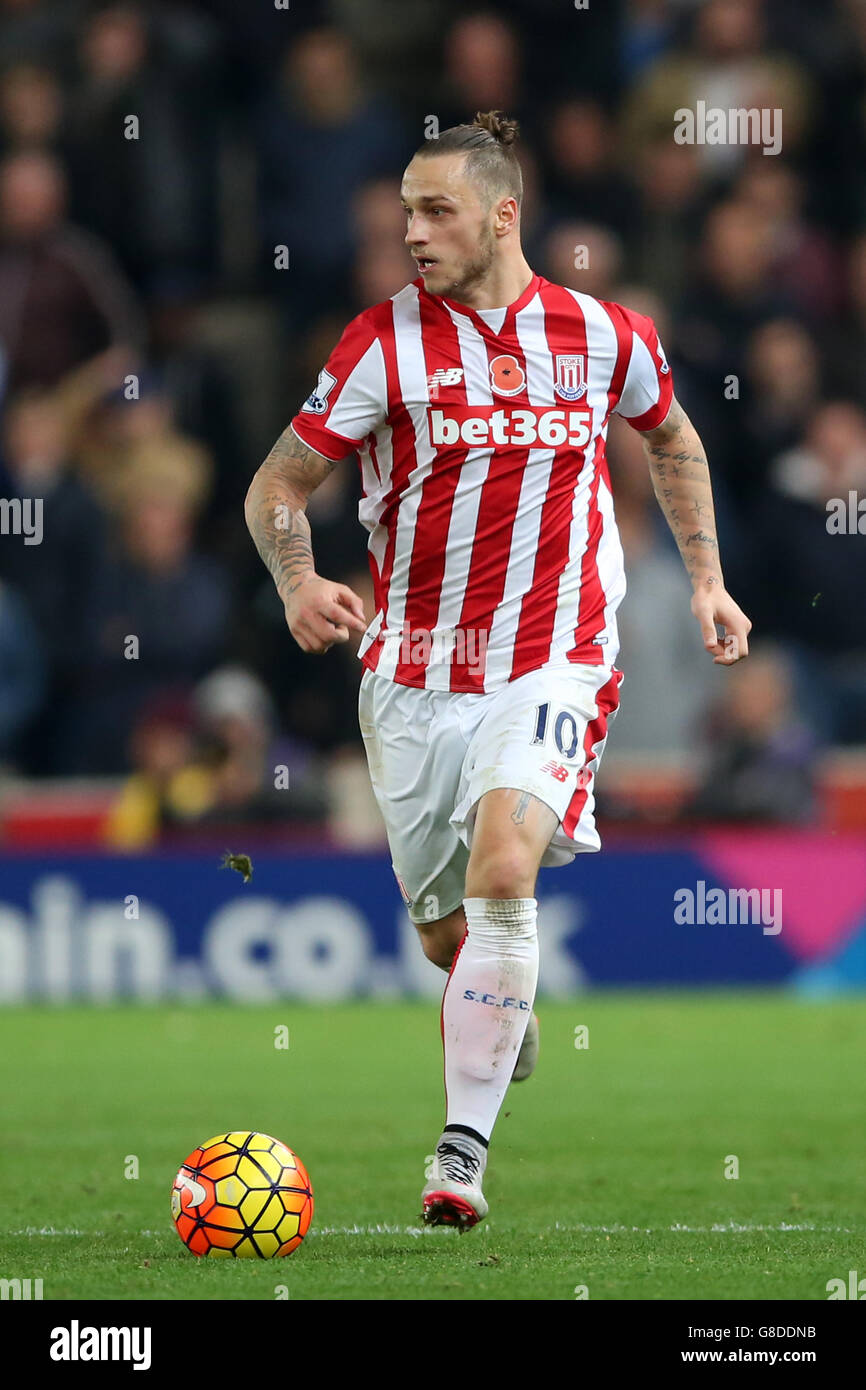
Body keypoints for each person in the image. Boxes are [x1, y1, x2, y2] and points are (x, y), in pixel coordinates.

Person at [244, 112, 752, 1230]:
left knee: (506, 867)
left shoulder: (602, 333)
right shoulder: (379, 343)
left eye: (435, 212)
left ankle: (459, 1152)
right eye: (403, 214)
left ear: (502, 215)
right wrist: (296, 582)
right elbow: (276, 488)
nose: (413, 234)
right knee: (446, 931)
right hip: (411, 675)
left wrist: (706, 581)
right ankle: (495, 999)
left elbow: (669, 438)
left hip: (553, 658)